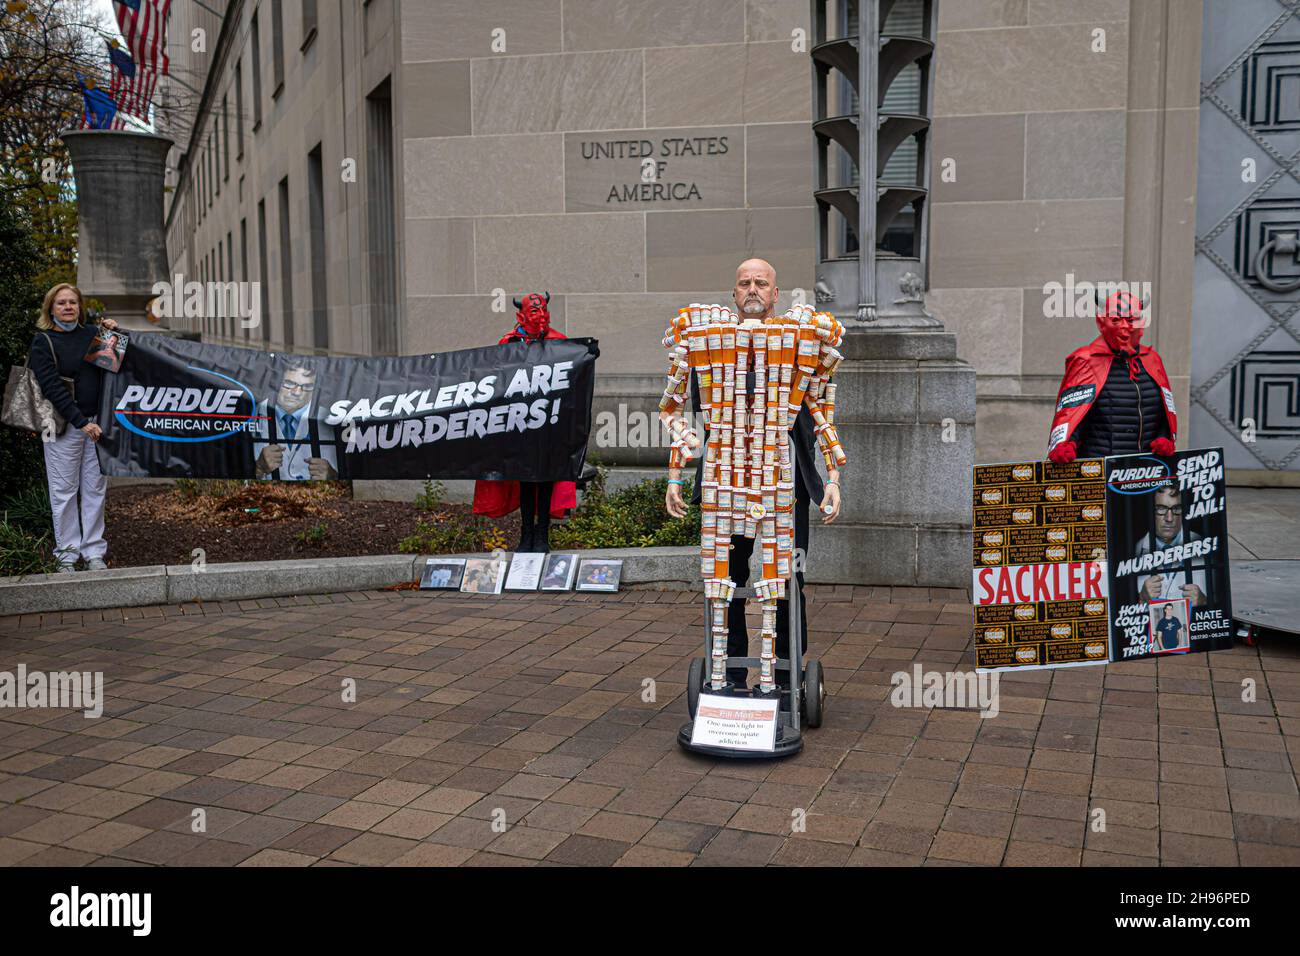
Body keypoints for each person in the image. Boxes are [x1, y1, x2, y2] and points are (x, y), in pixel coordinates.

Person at [665, 258, 843, 690]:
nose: (752, 290)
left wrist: (833, 476)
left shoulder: (800, 339)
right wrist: (675, 473)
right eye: (744, 283)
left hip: (785, 479)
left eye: (761, 283)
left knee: (786, 574)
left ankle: (784, 675)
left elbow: (820, 408)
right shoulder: (705, 339)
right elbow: (674, 408)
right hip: (725, 480)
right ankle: (729, 673)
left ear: (776, 294)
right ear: (733, 293)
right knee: (725, 576)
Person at [472, 292, 576, 552]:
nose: (540, 317)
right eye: (534, 313)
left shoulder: (559, 343)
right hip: (520, 425)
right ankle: (526, 534)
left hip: (548, 426)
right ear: (521, 315)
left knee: (545, 479)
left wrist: (586, 355)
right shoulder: (509, 343)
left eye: (543, 312)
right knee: (525, 480)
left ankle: (542, 535)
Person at [27, 283, 121, 571]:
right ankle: (66, 555)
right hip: (61, 426)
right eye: (61, 303)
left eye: (72, 302)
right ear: (50, 309)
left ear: (80, 307)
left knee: (94, 489)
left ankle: (93, 553)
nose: (67, 307)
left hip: (96, 425)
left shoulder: (94, 335)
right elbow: (52, 387)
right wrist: (81, 423)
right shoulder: (44, 341)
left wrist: (113, 334)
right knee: (63, 491)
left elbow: (115, 367)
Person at [1047, 289, 1177, 462]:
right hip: (1101, 469)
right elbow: (1072, 410)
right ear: (1101, 323)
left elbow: (1165, 409)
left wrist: (1164, 438)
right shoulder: (1087, 360)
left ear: (1142, 323)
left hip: (1146, 469)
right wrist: (1065, 443)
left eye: (1131, 320)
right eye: (1116, 319)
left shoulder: (1152, 360)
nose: (1124, 326)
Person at [251, 363, 340, 481]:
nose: (297, 392)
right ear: (275, 382)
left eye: (307, 386)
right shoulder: (250, 414)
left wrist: (332, 476)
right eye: (289, 383)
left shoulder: (330, 420)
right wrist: (258, 468)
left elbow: (350, 472)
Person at [1135, 483, 1208, 606]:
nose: (1169, 518)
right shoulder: (1135, 548)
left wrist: (1204, 601)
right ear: (1150, 511)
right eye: (1161, 508)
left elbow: (1221, 603)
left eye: (1176, 509)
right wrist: (1141, 598)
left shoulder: (1204, 545)